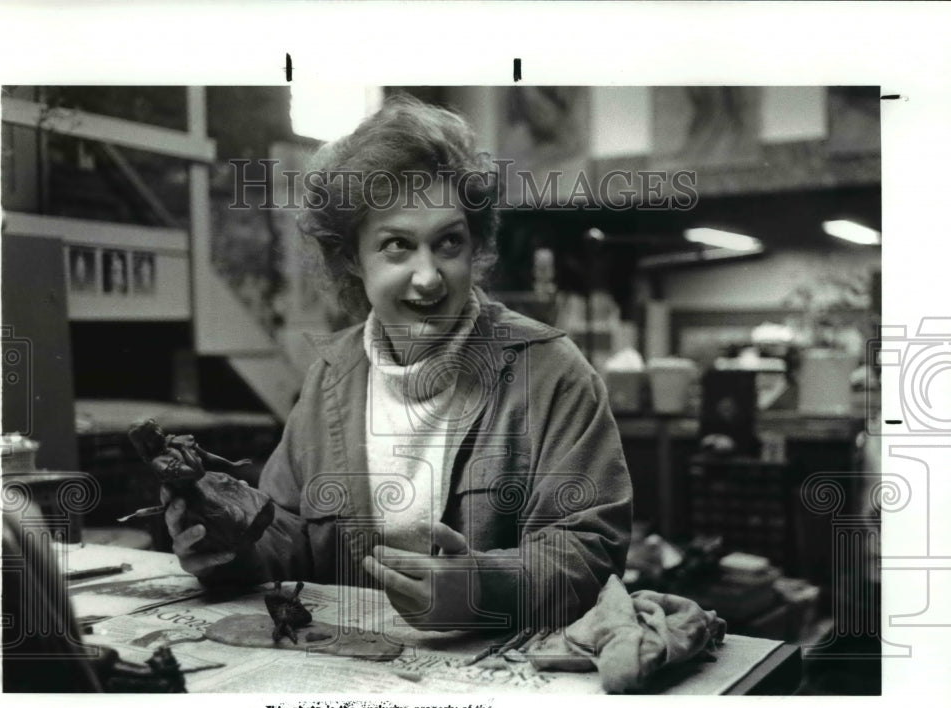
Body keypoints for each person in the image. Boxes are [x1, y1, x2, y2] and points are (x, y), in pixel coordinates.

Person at [166, 96, 632, 635]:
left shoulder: (552, 372)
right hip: (352, 676)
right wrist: (229, 545)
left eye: (448, 243)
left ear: (475, 245)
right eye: (397, 246)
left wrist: (484, 589)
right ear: (350, 259)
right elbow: (288, 535)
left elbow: (591, 551)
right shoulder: (331, 375)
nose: (429, 276)